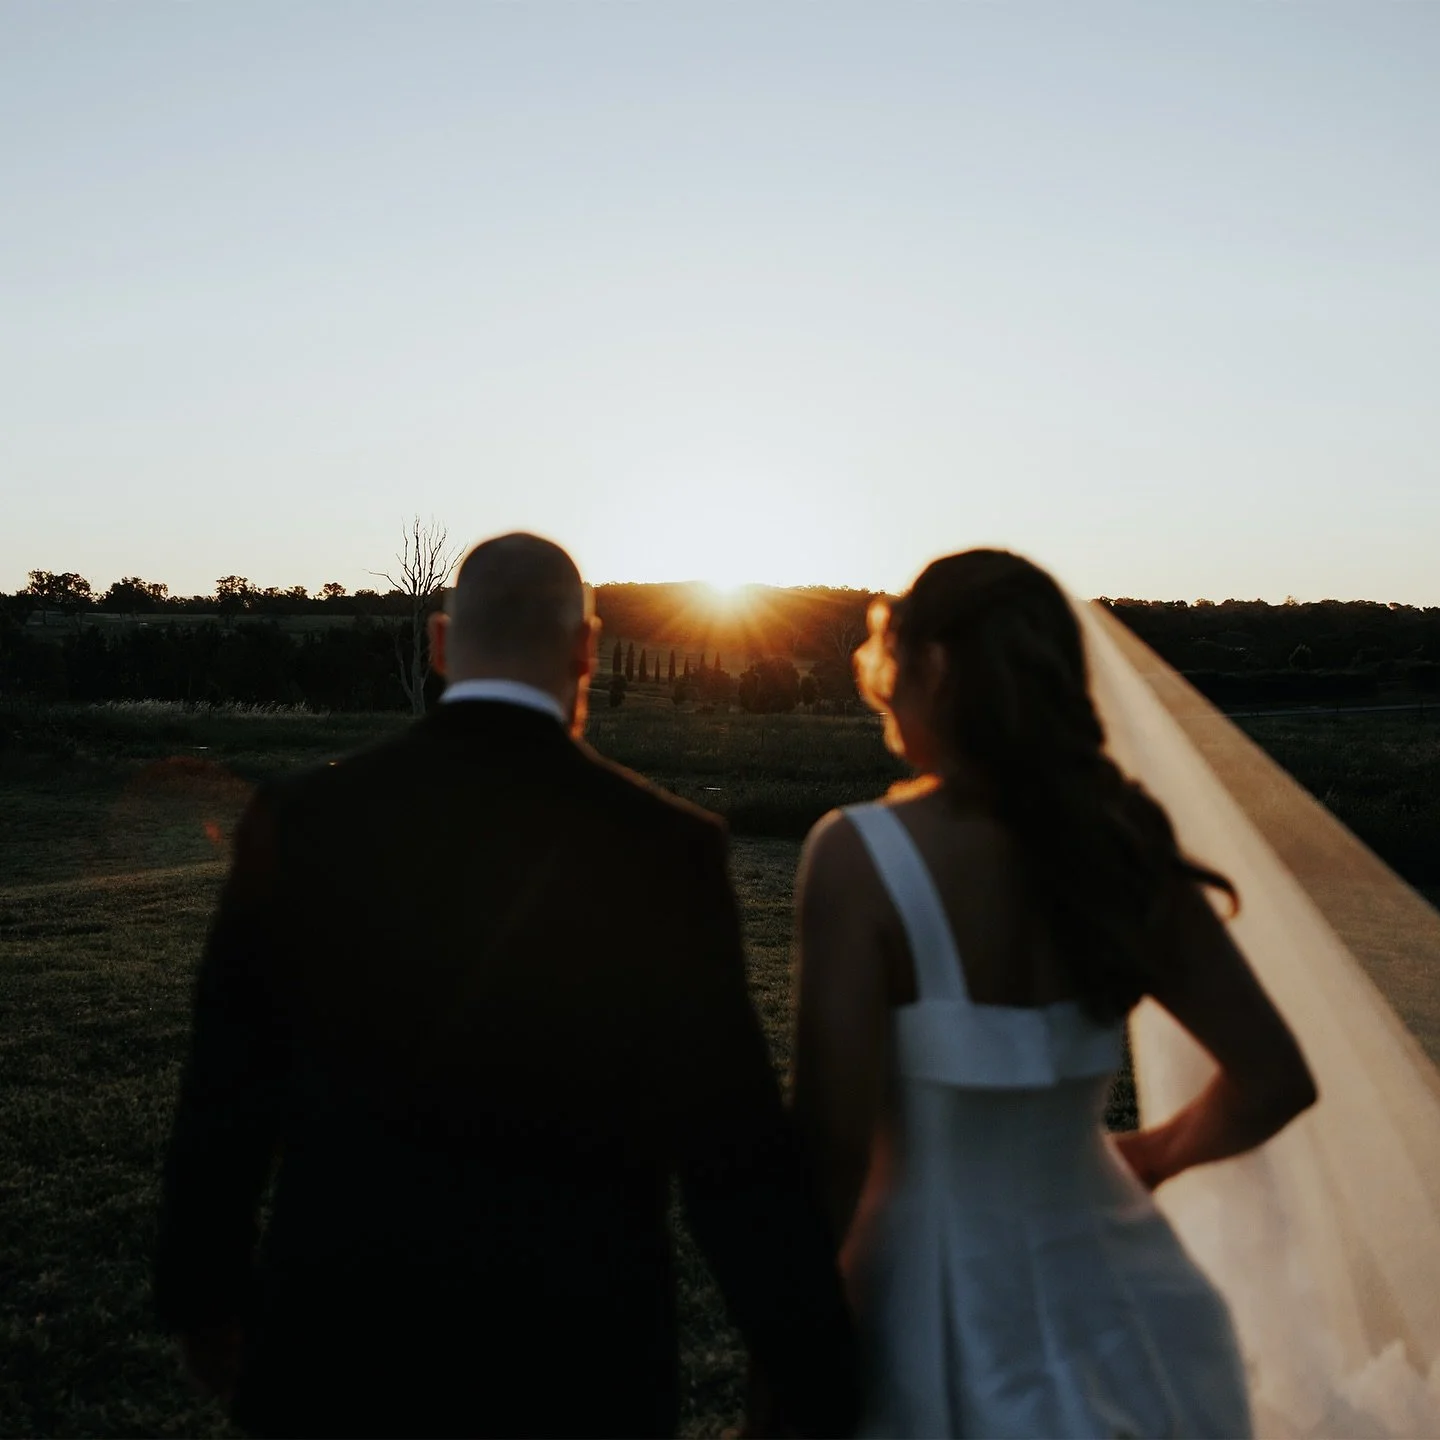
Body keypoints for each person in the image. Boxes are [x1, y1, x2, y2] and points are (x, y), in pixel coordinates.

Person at [154, 532, 859, 1439]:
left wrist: (201, 1300)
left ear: (442, 644)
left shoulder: (304, 818)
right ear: (587, 651)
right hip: (579, 1365)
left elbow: (227, 1085)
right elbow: (731, 1141)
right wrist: (803, 1358)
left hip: (336, 1346)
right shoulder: (666, 846)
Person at [789, 548, 1317, 1438]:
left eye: (896, 659)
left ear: (938, 668)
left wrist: (792, 1358)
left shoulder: (860, 856)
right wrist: (1146, 1158)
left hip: (930, 1310)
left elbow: (832, 1149)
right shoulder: (1125, 850)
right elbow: (1274, 1078)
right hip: (1130, 1309)